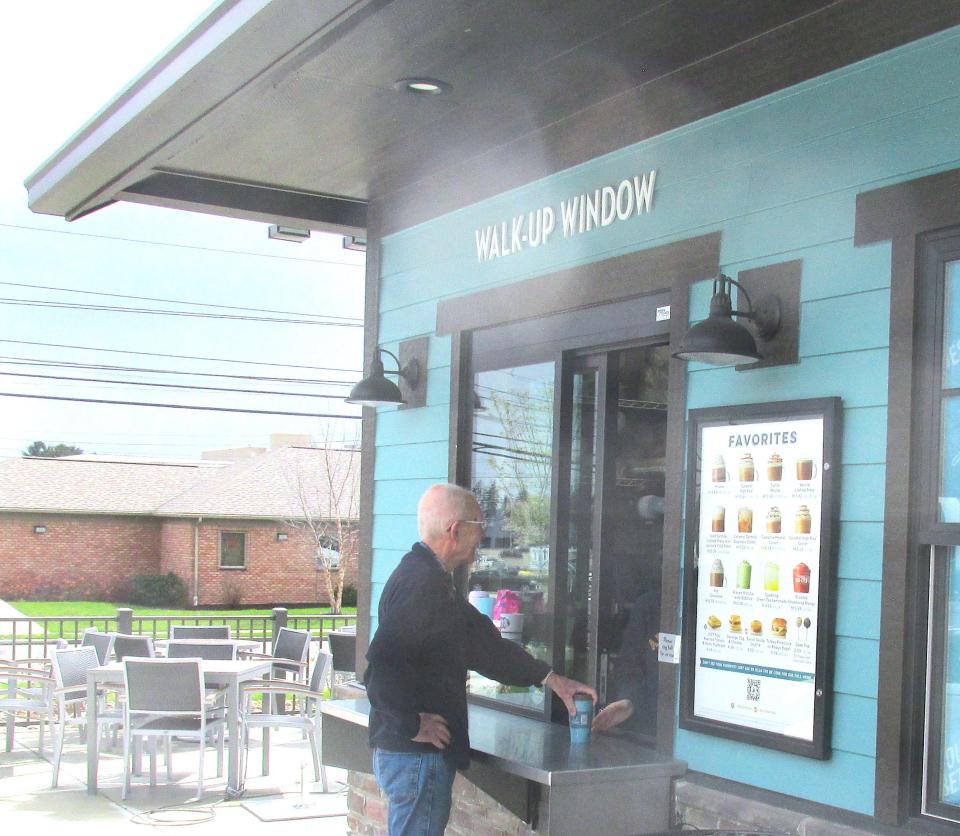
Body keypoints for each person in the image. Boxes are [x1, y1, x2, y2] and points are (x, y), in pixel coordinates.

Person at [364, 483, 597, 836]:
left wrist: (551, 679)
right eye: (480, 524)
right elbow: (381, 666)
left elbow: (483, 646)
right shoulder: (421, 585)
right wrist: (410, 724)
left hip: (416, 756)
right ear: (456, 530)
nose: (484, 534)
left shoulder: (432, 580)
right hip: (417, 756)